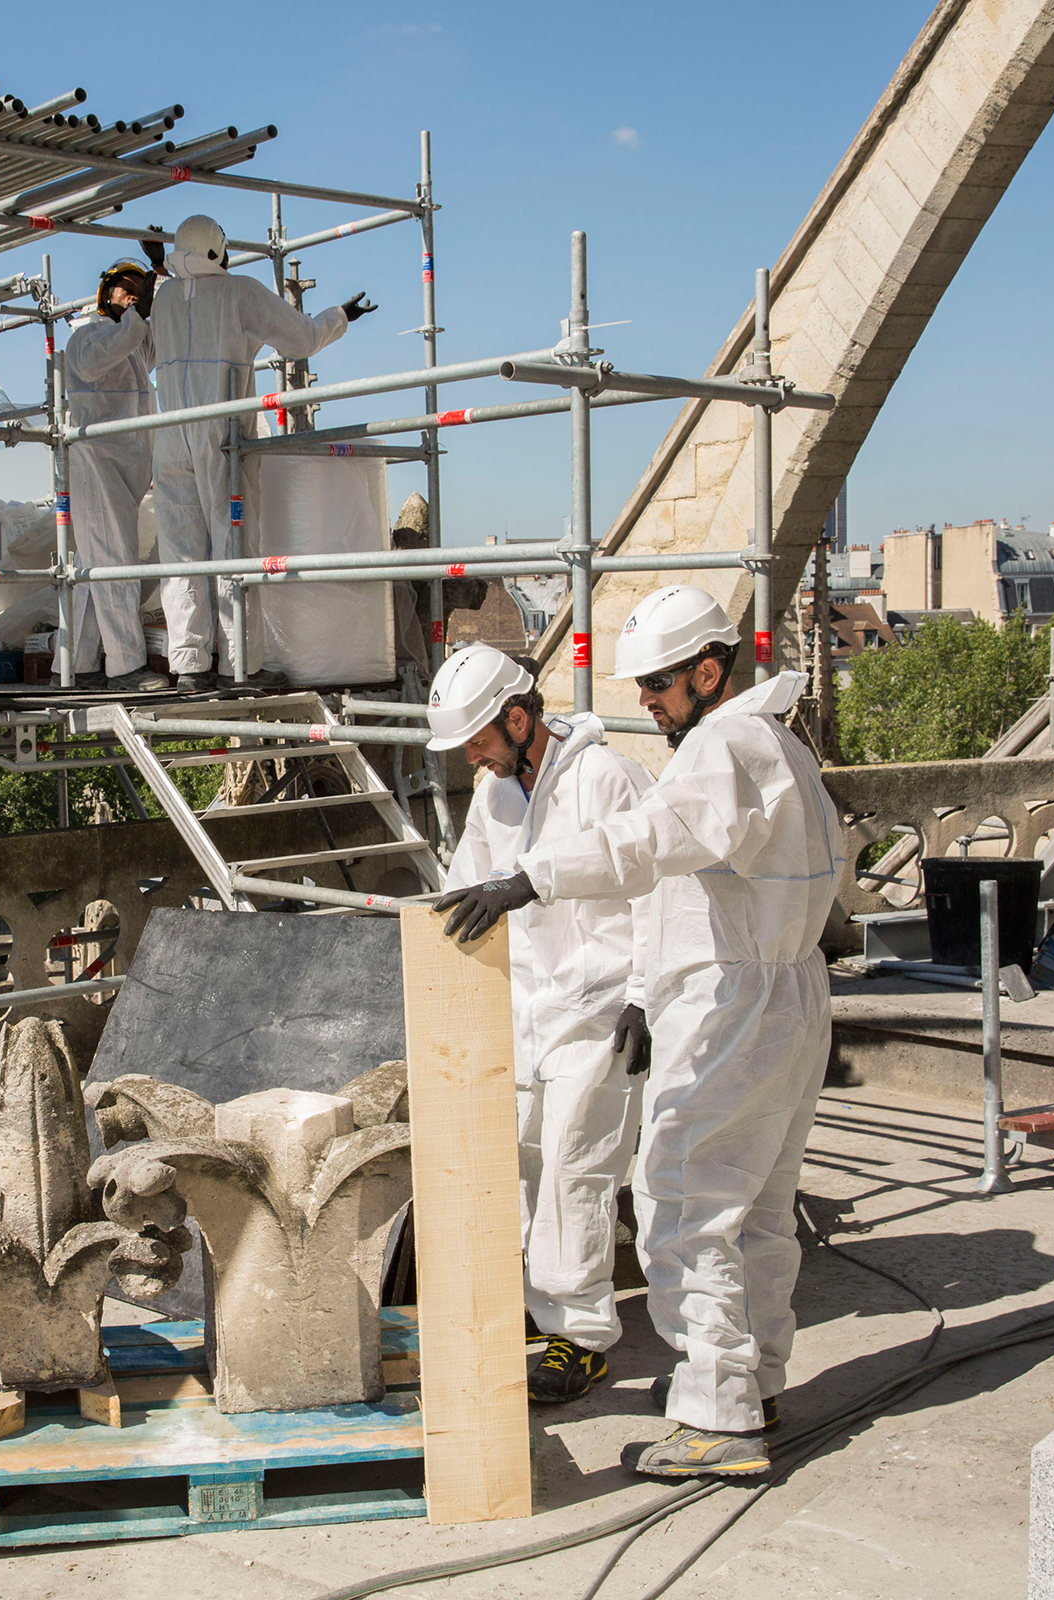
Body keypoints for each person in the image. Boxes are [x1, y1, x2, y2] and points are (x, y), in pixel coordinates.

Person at [433, 585, 843, 1481]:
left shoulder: (723, 745)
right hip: (784, 992)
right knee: (757, 1211)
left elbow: (645, 843)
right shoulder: (779, 746)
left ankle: (719, 1419)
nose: (648, 704)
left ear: (707, 670)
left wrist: (531, 880)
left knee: (683, 1202)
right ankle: (754, 1383)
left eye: (657, 685)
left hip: (735, 1000)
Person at [428, 644, 651, 1404]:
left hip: (600, 1011)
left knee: (574, 1167)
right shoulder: (494, 797)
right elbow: (462, 895)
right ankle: (537, 1306)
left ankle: (580, 1337)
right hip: (526, 1013)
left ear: (519, 718)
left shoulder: (606, 778)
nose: (471, 757)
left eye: (480, 739)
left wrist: (647, 995)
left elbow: (662, 884)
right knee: (520, 1164)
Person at [148, 213, 375, 688]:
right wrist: (341, 316)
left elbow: (180, 303)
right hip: (222, 433)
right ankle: (240, 665)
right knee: (234, 548)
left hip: (169, 435)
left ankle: (188, 666)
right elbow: (303, 339)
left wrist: (163, 267)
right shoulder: (240, 292)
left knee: (181, 553)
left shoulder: (164, 296)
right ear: (219, 252)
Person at [61, 255, 172, 692]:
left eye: (138, 288)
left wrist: (161, 272)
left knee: (96, 569)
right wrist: (138, 314)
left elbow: (159, 334)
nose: (132, 294)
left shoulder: (136, 342)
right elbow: (100, 360)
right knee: (114, 564)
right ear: (106, 293)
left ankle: (75, 664)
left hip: (124, 469)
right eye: (125, 287)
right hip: (97, 464)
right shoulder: (87, 337)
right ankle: (126, 666)